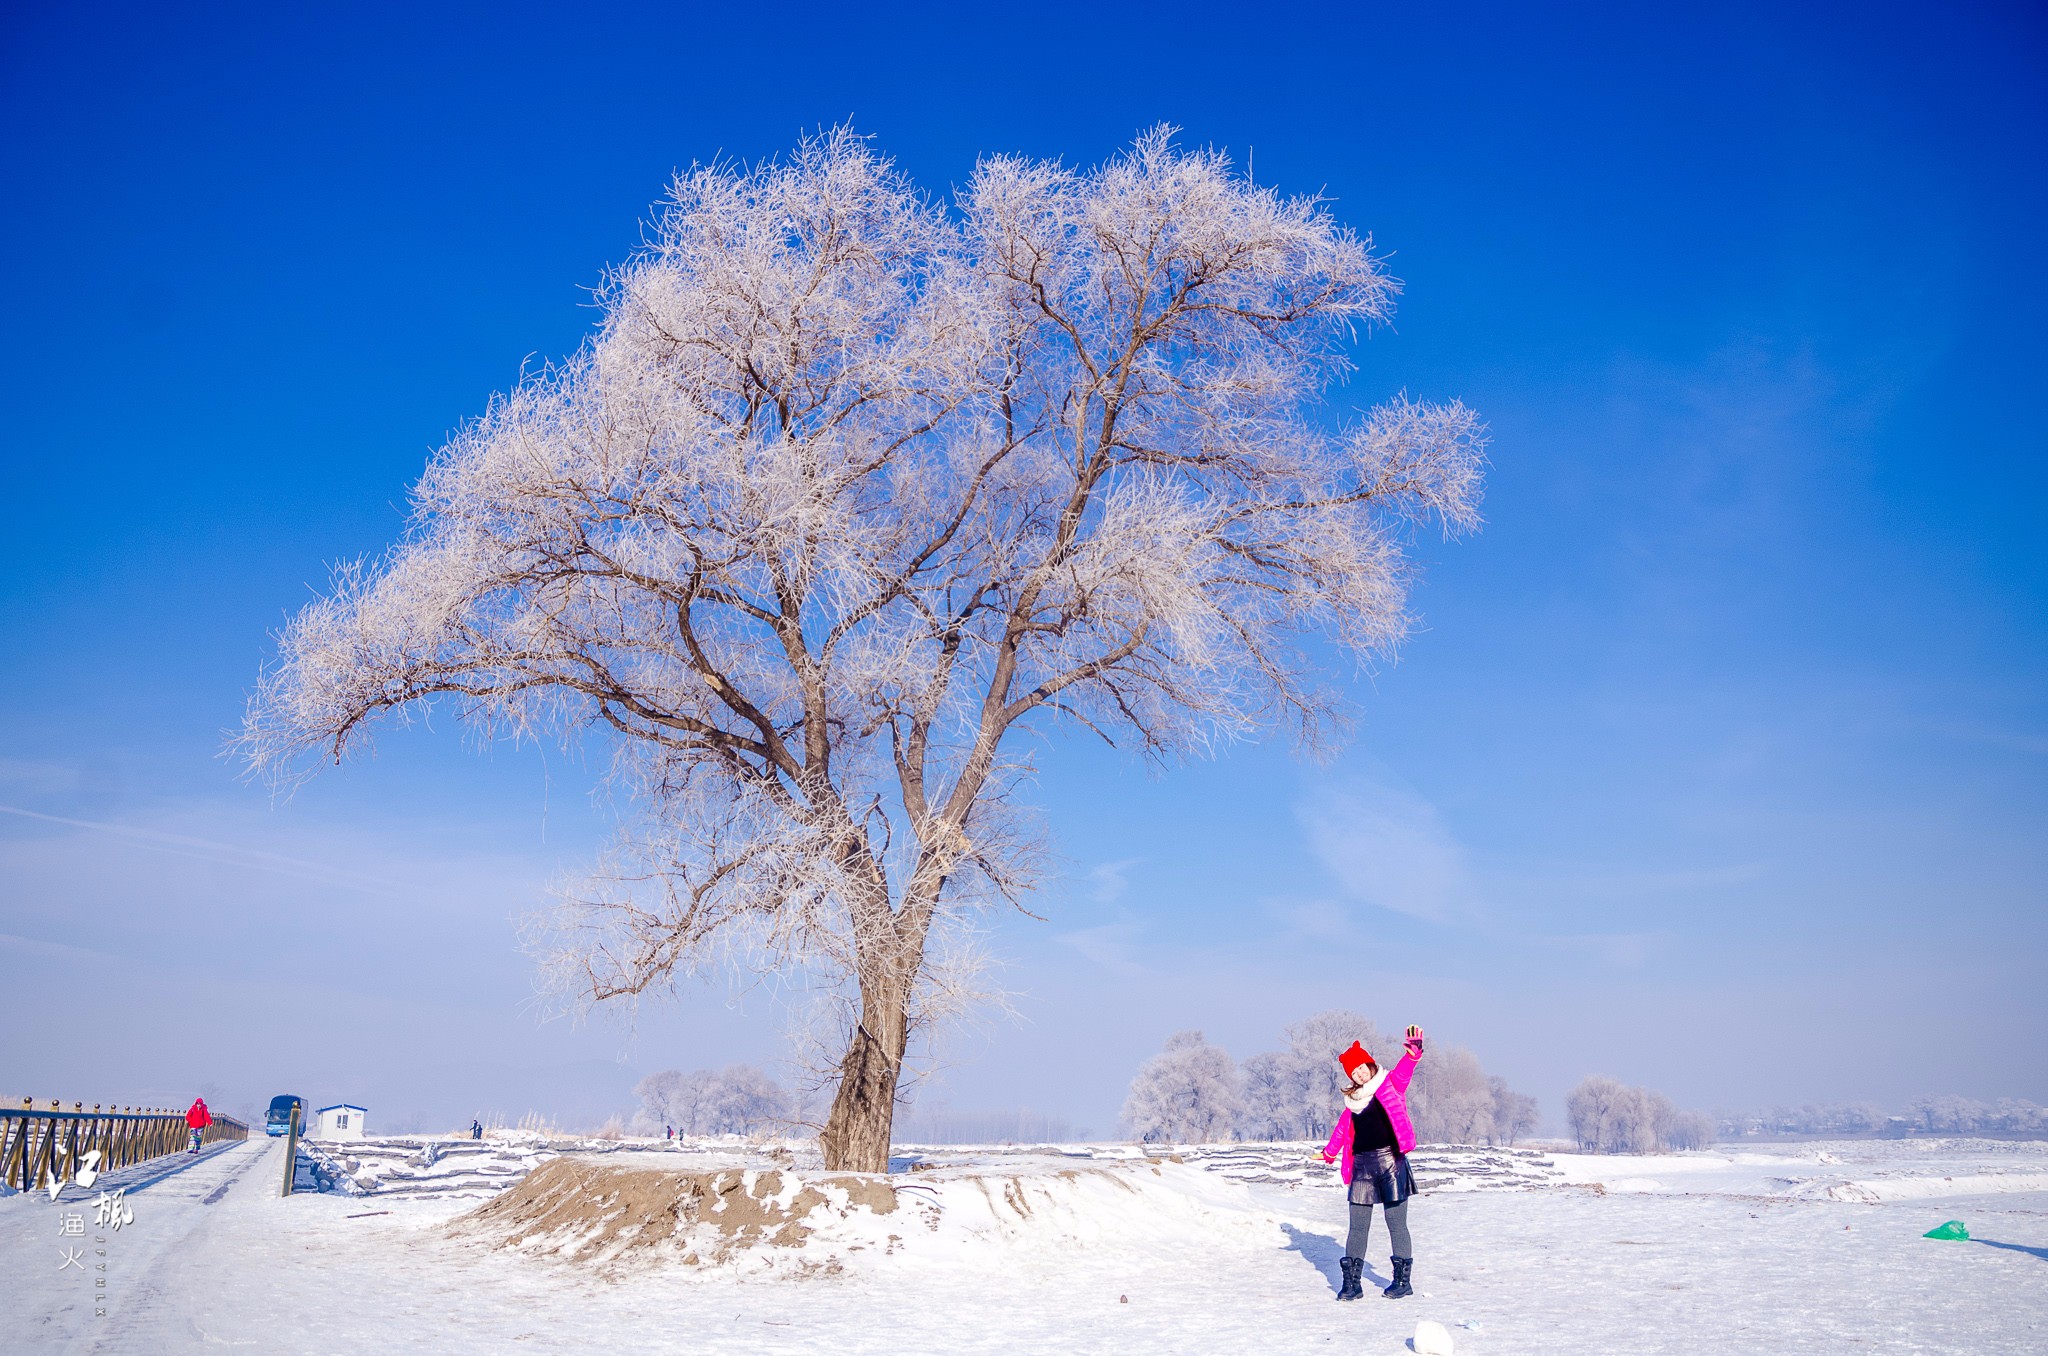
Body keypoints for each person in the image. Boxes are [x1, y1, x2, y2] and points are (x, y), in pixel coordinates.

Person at [1320, 1025, 1425, 1301]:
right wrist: (1329, 1153)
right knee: (1357, 1225)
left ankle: (1402, 1281)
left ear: (1369, 1064)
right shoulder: (1352, 1101)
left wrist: (1413, 1054)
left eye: (1362, 1068)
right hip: (1362, 1167)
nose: (1359, 1073)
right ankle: (1352, 1284)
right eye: (1354, 1072)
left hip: (1391, 1161)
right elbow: (1342, 1131)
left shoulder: (1389, 1083)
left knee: (1396, 1222)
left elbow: (1405, 1071)